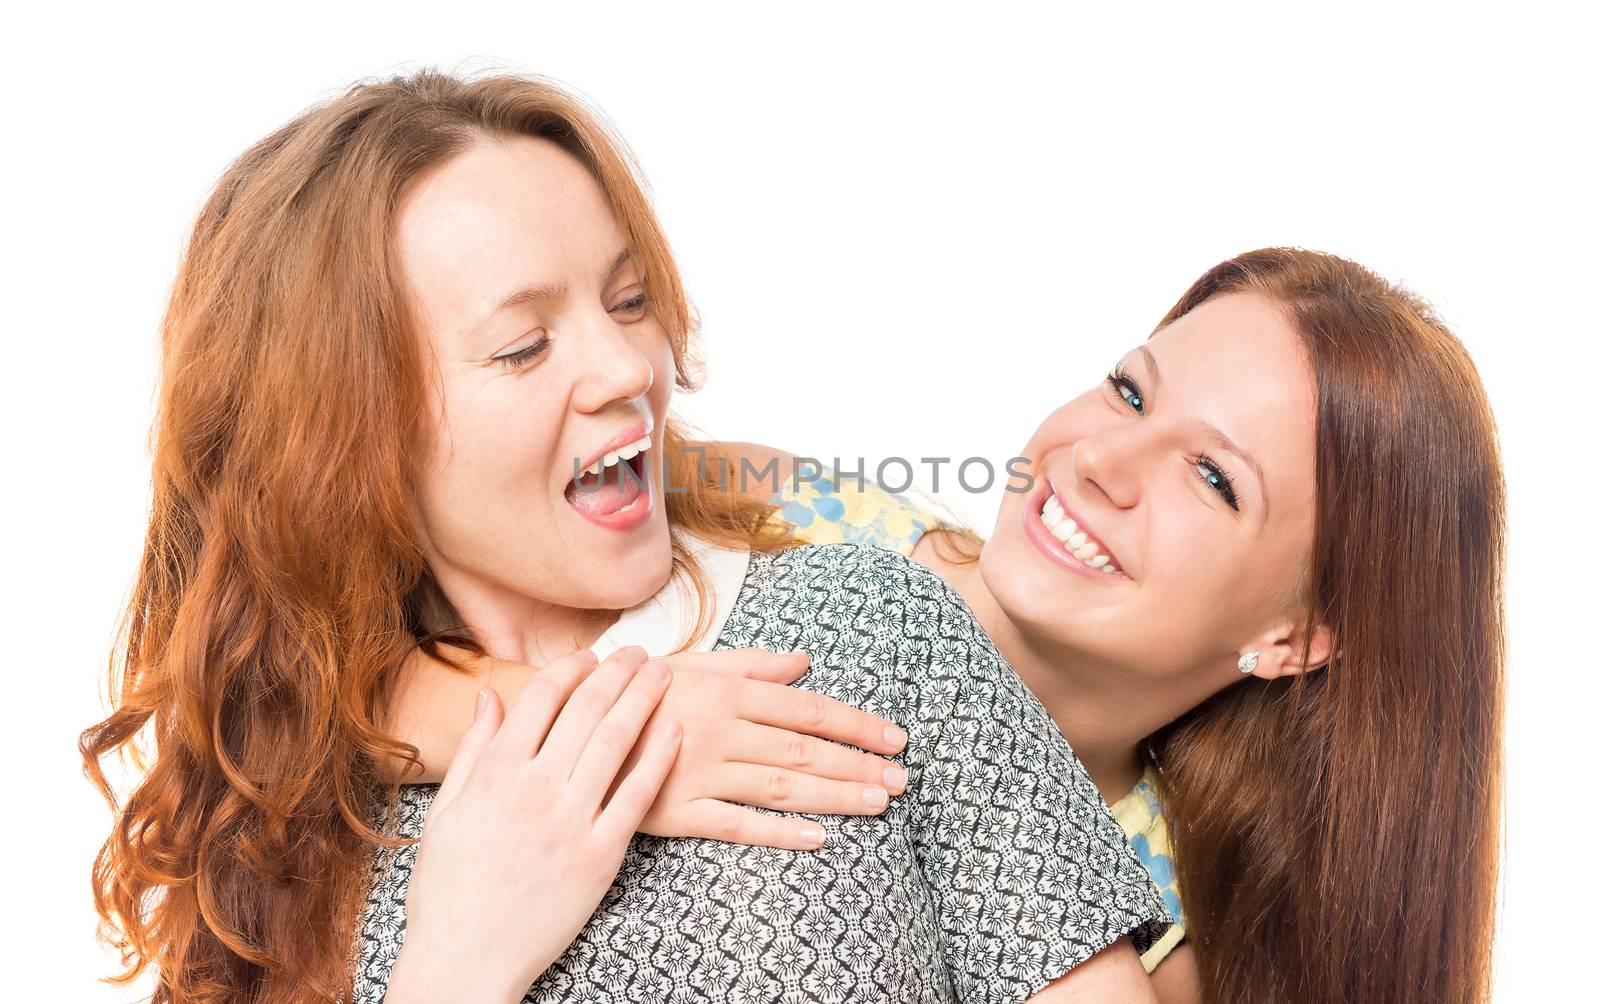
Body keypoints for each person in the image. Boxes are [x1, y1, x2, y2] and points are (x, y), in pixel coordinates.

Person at [79, 67, 1169, 1004]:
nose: (625, 371)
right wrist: (459, 962)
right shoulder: (286, 808)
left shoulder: (865, 629)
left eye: (630, 298)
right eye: (521, 348)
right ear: (342, 437)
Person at [393, 247, 1507, 1003]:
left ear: (1297, 635)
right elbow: (304, 647)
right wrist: (607, 734)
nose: (1101, 462)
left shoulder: (1160, 929)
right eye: (1128, 392)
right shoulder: (796, 518)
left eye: (1212, 478)